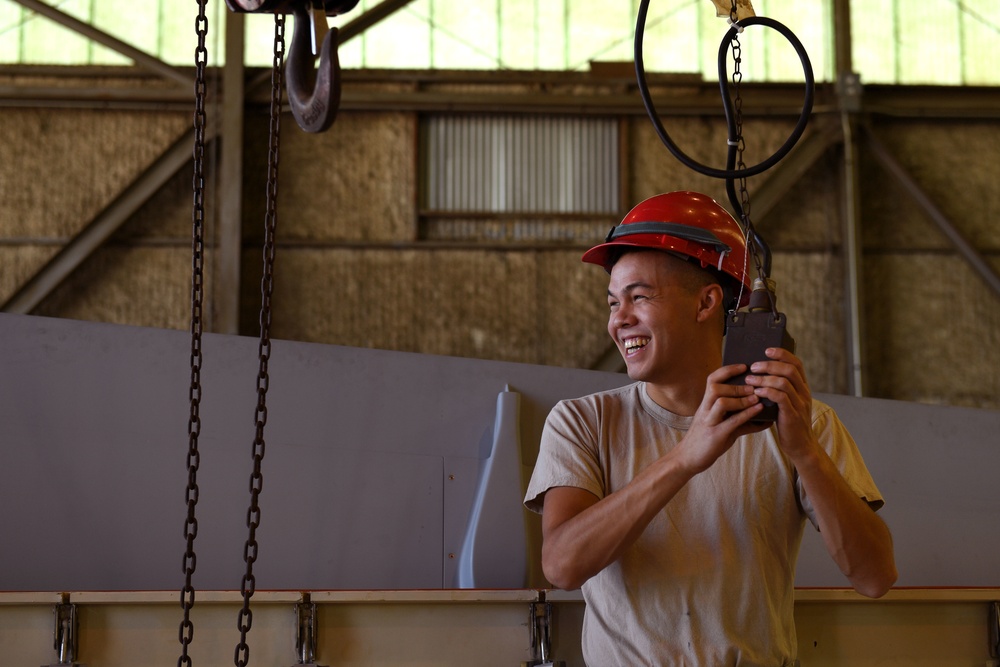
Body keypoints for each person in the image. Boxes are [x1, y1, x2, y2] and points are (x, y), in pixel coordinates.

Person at [523, 191, 897, 666]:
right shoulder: (583, 422)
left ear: (706, 302)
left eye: (640, 297)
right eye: (614, 302)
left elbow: (875, 576)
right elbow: (562, 566)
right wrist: (685, 457)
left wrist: (804, 450)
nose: (620, 320)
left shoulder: (802, 420)